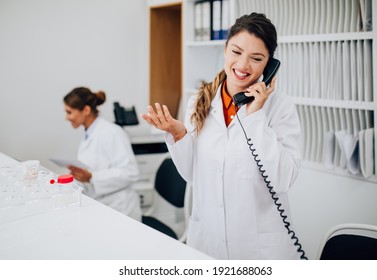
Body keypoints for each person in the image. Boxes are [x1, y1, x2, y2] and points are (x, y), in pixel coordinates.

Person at [141, 13, 302, 259]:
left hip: (260, 251)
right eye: (236, 52)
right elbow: (193, 175)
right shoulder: (200, 100)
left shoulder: (280, 107)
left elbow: (282, 179)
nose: (243, 66)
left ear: (269, 65)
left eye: (256, 58)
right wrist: (179, 134)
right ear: (225, 49)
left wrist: (255, 116)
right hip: (209, 241)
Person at [63, 87, 142, 222]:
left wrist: (92, 177)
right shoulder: (90, 133)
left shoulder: (112, 132)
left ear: (86, 110)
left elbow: (131, 172)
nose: (66, 117)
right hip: (101, 203)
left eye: (69, 112)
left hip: (120, 209)